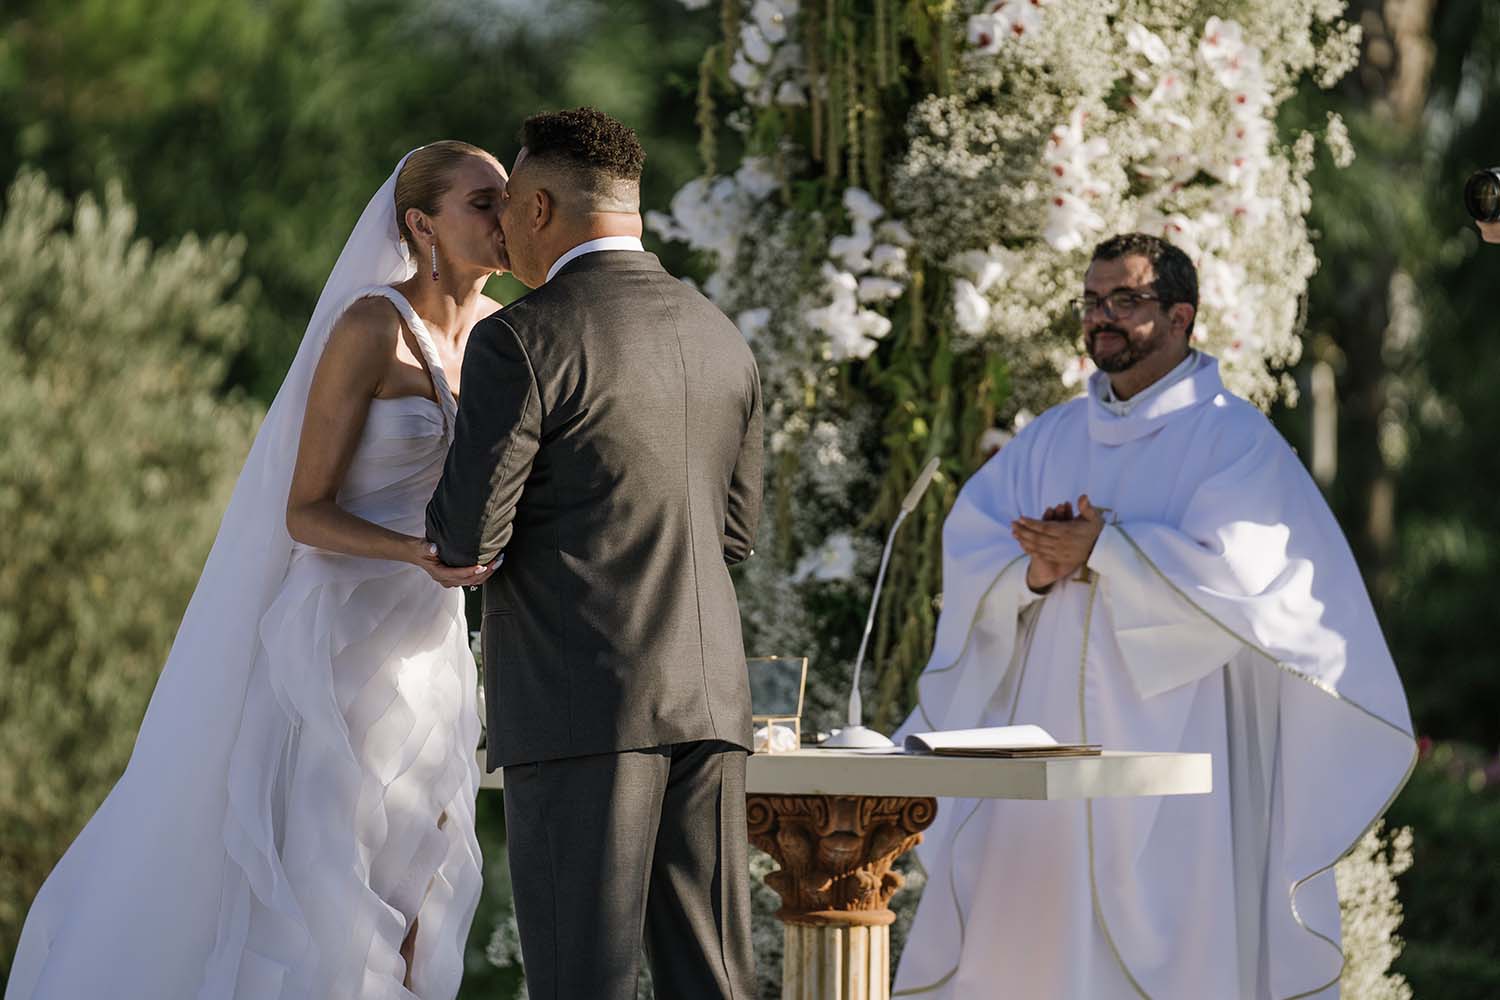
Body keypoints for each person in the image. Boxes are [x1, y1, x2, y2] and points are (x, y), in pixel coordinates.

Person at [7, 141, 509, 1000]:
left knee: (423, 858)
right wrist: (412, 553)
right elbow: (303, 510)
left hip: (433, 646)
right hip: (340, 635)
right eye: (482, 203)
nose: (506, 219)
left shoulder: (505, 337)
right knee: (327, 868)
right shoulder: (369, 326)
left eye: (509, 199)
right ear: (422, 224)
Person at [892, 233, 1415, 999]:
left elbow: (1243, 580)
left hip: (1184, 738)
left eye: (1125, 301)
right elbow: (977, 546)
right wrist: (1033, 574)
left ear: (1180, 317)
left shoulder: (1233, 437)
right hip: (1045, 738)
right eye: (1093, 301)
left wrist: (1106, 549)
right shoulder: (1055, 434)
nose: (1102, 317)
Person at [426, 107, 762, 1000]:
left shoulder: (523, 337)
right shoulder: (721, 333)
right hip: (712, 706)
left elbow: (465, 539)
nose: (500, 232)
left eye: (507, 210)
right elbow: (736, 535)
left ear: (540, 209)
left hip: (580, 713)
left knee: (583, 979)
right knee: (714, 981)